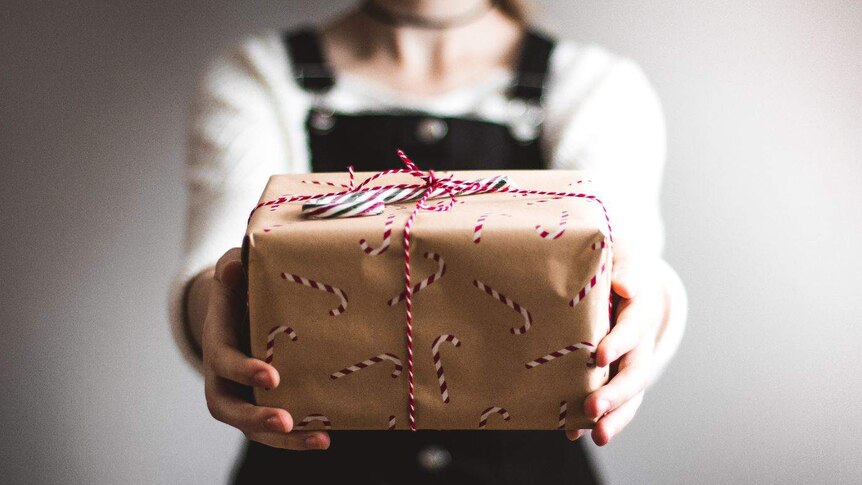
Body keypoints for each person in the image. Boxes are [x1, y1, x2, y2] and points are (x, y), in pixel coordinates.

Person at [168, 0, 687, 483]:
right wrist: (217, 315)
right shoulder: (259, 76)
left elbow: (629, 257)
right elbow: (219, 264)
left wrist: (646, 308)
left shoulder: (593, 84)